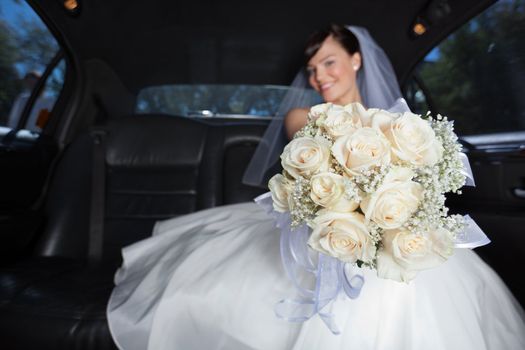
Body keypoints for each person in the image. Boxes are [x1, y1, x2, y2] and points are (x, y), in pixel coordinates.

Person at [107, 25, 525, 350]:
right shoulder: (302, 115)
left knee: (412, 281)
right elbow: (320, 172)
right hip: (321, 223)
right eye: (312, 69)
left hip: (389, 222)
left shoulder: (397, 121)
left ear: (356, 60)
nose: (319, 76)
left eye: (329, 63)